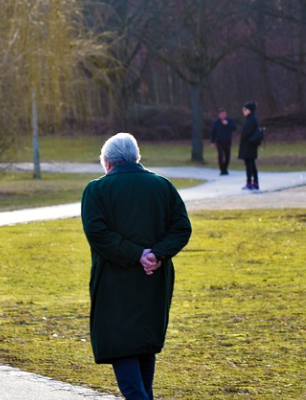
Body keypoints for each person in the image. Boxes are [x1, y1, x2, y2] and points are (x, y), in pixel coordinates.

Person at [81, 133, 192, 400]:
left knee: (122, 348)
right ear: (136, 158)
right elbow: (181, 228)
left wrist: (136, 254)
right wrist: (156, 254)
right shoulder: (162, 186)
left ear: (107, 162)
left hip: (114, 282)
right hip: (153, 280)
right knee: (143, 346)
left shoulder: (96, 190)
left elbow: (97, 234)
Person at [238, 101, 260, 190]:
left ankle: (249, 183)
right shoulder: (252, 118)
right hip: (251, 145)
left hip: (248, 145)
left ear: (250, 110)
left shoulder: (250, 120)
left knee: (249, 165)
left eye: (245, 109)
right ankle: (255, 182)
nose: (243, 111)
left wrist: (243, 138)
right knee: (252, 164)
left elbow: (246, 133)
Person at [210, 108, 237, 175]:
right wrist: (212, 141)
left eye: (224, 114)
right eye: (221, 114)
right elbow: (213, 132)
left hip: (227, 141)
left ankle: (225, 168)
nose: (223, 116)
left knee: (227, 155)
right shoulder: (216, 122)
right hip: (219, 141)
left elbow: (234, 128)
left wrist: (227, 124)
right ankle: (222, 170)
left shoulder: (229, 120)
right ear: (219, 115)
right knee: (221, 155)